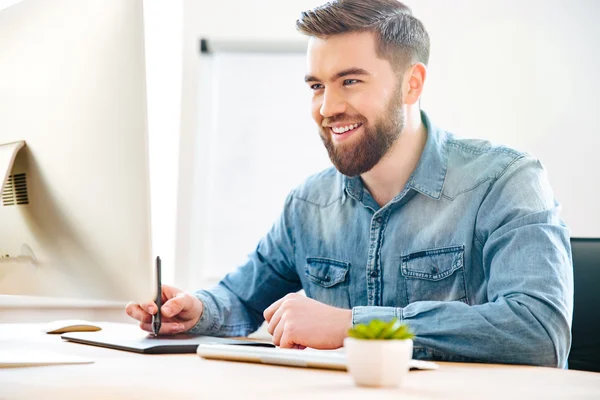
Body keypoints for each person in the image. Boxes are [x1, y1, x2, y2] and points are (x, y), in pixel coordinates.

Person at [126, 0, 573, 367]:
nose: (327, 107)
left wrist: (353, 325)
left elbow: (538, 331)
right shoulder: (309, 204)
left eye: (350, 81)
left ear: (411, 84)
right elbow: (240, 300)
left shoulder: (505, 181)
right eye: (317, 86)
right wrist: (196, 311)